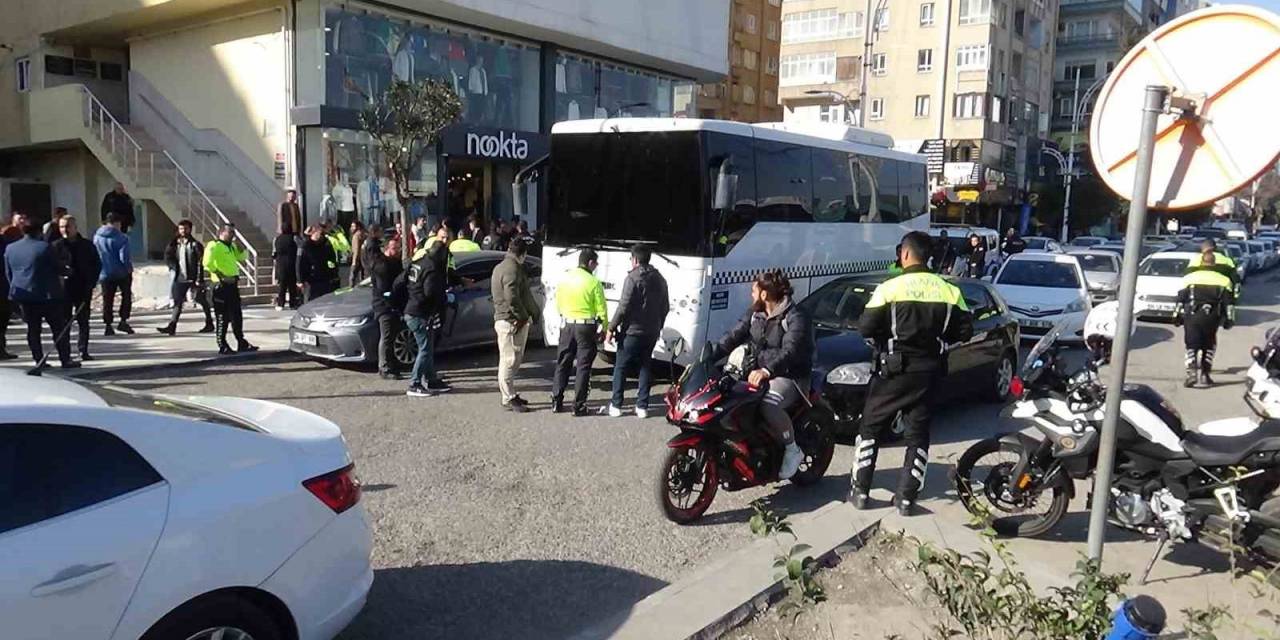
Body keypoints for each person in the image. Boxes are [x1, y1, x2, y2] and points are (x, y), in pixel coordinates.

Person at [850, 231, 973, 516]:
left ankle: (861, 492)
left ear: (905, 254)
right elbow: (965, 331)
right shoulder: (949, 290)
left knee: (870, 428)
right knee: (917, 434)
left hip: (892, 371)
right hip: (929, 371)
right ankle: (906, 499)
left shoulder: (889, 288)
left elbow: (866, 328)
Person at [714, 270, 813, 479]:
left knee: (768, 403)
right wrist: (709, 356)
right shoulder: (755, 313)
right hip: (757, 371)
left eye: (753, 290)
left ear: (764, 294)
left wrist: (768, 370)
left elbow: (791, 350)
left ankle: (792, 448)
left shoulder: (795, 316)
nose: (751, 294)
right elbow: (734, 335)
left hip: (790, 376)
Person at [607, 245, 670, 418]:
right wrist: (659, 325)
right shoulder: (660, 278)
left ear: (634, 259)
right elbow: (665, 306)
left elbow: (623, 307)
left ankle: (616, 405)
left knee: (621, 366)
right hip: (651, 331)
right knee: (645, 366)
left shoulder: (632, 278)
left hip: (632, 332)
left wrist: (611, 328)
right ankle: (642, 406)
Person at [4, 222, 76, 369]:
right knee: (58, 328)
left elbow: (8, 273)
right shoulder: (44, 247)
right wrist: (69, 271)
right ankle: (65, 358)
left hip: (24, 295)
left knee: (33, 329)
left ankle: (38, 359)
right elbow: (58, 268)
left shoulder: (11, 248)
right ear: (38, 232)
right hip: (48, 295)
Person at [551, 249, 608, 416]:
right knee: (583, 366)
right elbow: (601, 309)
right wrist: (603, 328)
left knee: (563, 362)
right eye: (595, 263)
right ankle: (579, 405)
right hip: (586, 327)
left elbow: (559, 303)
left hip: (567, 325)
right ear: (590, 262)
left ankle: (556, 400)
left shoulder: (565, 278)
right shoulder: (593, 282)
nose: (596, 266)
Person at [491, 238, 541, 412]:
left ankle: (510, 392)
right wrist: (522, 316)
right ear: (523, 254)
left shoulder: (503, 267)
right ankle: (508, 397)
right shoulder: (512, 269)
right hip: (510, 321)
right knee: (509, 360)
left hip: (508, 319)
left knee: (512, 359)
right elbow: (512, 296)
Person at [403, 225, 453, 396]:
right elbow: (430, 293)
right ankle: (414, 383)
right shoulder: (432, 269)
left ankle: (431, 379)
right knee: (424, 349)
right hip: (419, 313)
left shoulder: (419, 262)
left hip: (414, 309)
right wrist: (444, 300)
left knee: (428, 347)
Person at [1176, 250, 1235, 388]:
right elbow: (1229, 303)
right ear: (1214, 263)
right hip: (1212, 317)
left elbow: (1180, 299)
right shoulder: (1224, 280)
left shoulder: (1189, 278)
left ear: (1201, 263)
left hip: (1192, 315)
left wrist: (1176, 316)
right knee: (1209, 344)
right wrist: (1229, 319)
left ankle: (1191, 373)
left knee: (1191, 344)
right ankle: (1205, 374)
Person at [203, 223, 258, 355]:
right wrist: (220, 275)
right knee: (222, 316)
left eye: (233, 232)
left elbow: (243, 257)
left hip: (232, 284)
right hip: (220, 285)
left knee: (236, 315)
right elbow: (207, 264)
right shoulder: (214, 245)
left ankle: (241, 341)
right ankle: (222, 344)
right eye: (230, 232)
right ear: (222, 233)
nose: (233, 235)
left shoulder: (231, 246)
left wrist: (239, 245)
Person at [52, 216, 100, 361]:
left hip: (83, 288)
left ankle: (83, 350)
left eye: (67, 226)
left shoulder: (87, 245)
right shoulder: (56, 246)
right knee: (64, 322)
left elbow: (96, 265)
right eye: (61, 227)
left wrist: (91, 283)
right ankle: (65, 353)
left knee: (83, 321)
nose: (64, 230)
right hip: (64, 290)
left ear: (75, 227)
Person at [157, 220, 214, 336]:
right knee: (178, 302)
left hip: (193, 278)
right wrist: (173, 267)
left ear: (190, 229)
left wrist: (199, 279)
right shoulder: (174, 243)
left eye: (185, 229)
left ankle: (209, 322)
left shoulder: (195, 245)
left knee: (201, 299)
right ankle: (172, 326)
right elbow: (168, 257)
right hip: (180, 277)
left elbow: (200, 263)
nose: (183, 231)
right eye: (181, 229)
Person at [365, 225, 403, 379]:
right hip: (384, 306)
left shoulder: (394, 261)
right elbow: (384, 289)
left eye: (399, 248)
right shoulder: (382, 264)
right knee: (386, 337)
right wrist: (391, 300)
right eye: (395, 248)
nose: (398, 251)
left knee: (391, 336)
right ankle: (384, 367)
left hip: (392, 305)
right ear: (387, 248)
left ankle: (391, 364)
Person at [94, 213, 134, 335]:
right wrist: (129, 269)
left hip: (104, 272)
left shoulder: (97, 237)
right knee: (126, 296)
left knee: (107, 299)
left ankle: (108, 325)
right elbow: (124, 257)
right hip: (121, 273)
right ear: (117, 223)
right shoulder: (122, 238)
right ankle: (123, 321)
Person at [298, 225, 340, 302]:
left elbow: (332, 260)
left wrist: (334, 273)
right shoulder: (306, 245)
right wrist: (300, 280)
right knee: (311, 299)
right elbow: (300, 263)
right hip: (311, 278)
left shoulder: (326, 244)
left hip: (324, 277)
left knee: (324, 299)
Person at [272, 222, 301, 310]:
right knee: (292, 285)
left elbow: (274, 254)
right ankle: (293, 303)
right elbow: (300, 249)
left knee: (282, 286)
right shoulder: (294, 238)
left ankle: (281, 304)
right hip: (292, 264)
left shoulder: (277, 239)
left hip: (280, 265)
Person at [349, 220, 367, 287]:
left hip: (357, 258)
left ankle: (351, 289)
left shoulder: (356, 235)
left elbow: (356, 249)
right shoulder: (364, 233)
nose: (351, 228)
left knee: (352, 277)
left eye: (353, 226)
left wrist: (354, 261)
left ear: (358, 227)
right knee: (363, 276)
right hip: (363, 258)